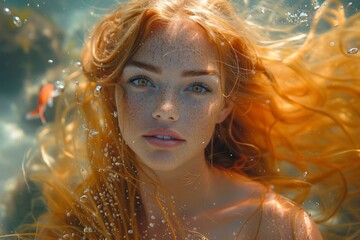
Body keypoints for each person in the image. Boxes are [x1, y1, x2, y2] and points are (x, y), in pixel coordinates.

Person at [2, 0, 359, 239]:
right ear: (113, 93)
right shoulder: (88, 214)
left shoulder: (276, 227)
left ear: (224, 106)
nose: (166, 108)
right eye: (142, 81)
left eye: (198, 88)